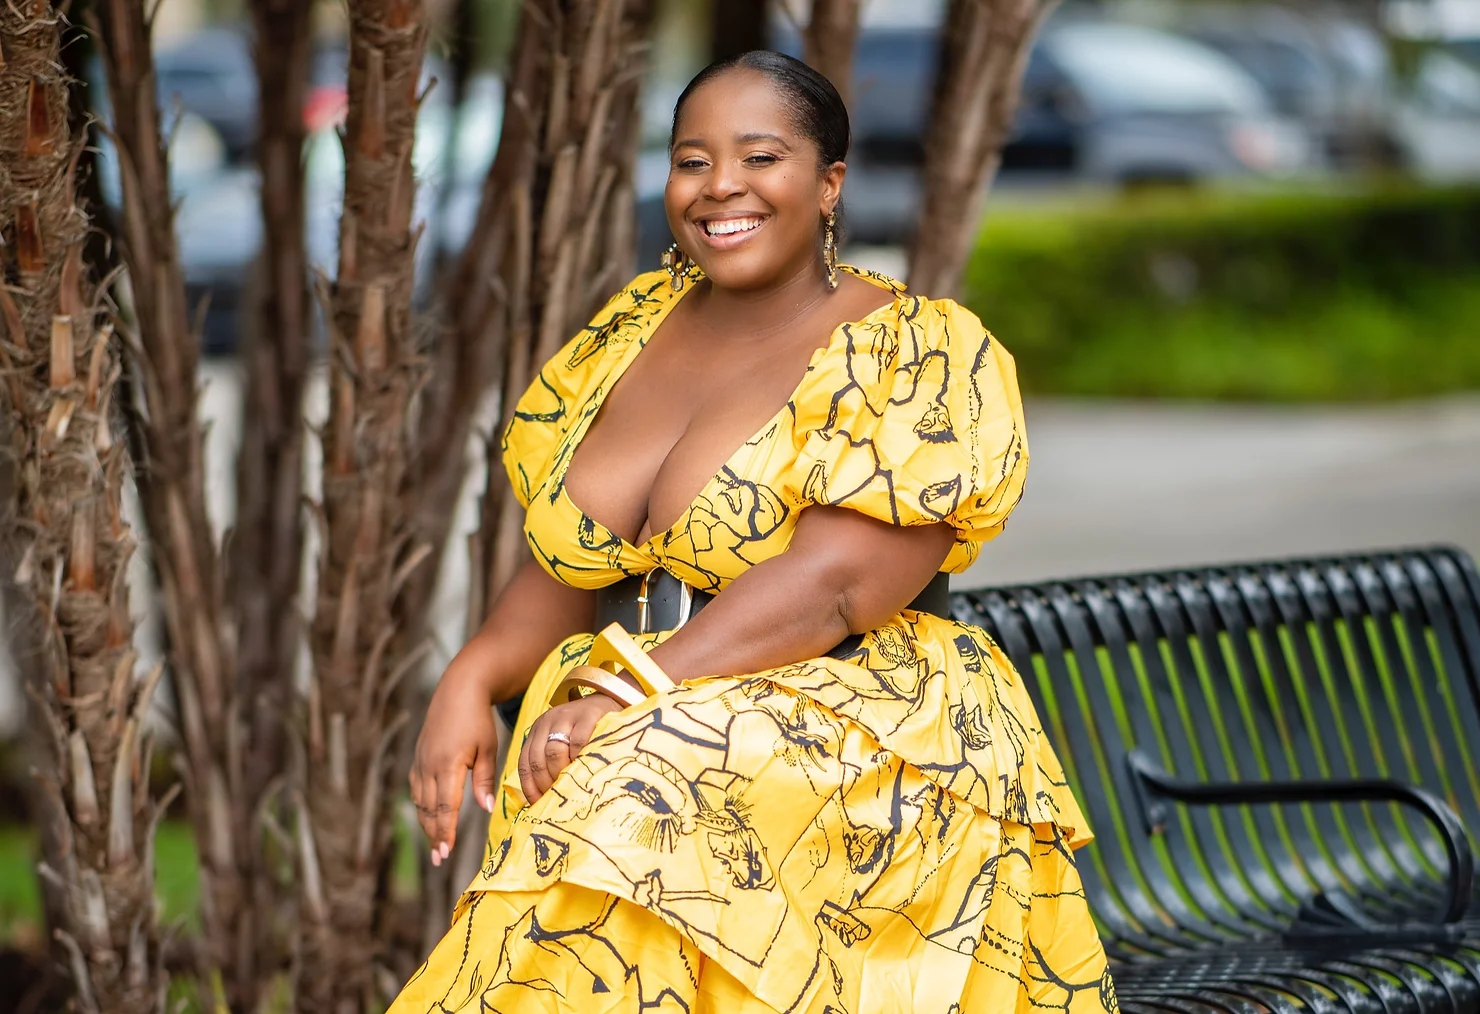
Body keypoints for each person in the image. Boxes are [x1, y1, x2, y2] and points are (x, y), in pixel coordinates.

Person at [390, 50, 1113, 1014]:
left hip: (861, 734)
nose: (720, 185)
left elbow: (837, 584)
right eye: (693, 160)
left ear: (828, 183)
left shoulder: (914, 347)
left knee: (630, 794)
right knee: (617, 810)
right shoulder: (631, 330)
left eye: (760, 156)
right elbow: (582, 560)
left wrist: (631, 693)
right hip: (656, 728)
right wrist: (471, 678)